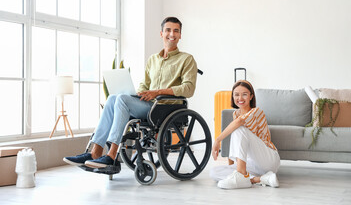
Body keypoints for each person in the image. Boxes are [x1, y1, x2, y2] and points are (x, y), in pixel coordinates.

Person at [63, 17, 198, 168]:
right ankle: (95, 151)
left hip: (164, 107)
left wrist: (157, 92)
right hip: (147, 104)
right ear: (161, 33)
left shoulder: (187, 59)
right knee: (113, 98)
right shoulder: (153, 59)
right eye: (168, 30)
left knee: (121, 100)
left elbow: (188, 88)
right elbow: (145, 83)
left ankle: (111, 155)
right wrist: (140, 91)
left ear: (180, 35)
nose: (171, 34)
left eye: (176, 31)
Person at [210, 80, 280, 189]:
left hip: (268, 158)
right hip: (252, 163)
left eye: (244, 94)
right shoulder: (235, 114)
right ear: (232, 96)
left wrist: (217, 140)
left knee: (239, 129)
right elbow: (237, 143)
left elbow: (239, 123)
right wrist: (231, 167)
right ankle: (260, 179)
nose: (240, 98)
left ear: (251, 96)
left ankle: (242, 175)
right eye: (236, 94)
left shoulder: (257, 111)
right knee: (214, 172)